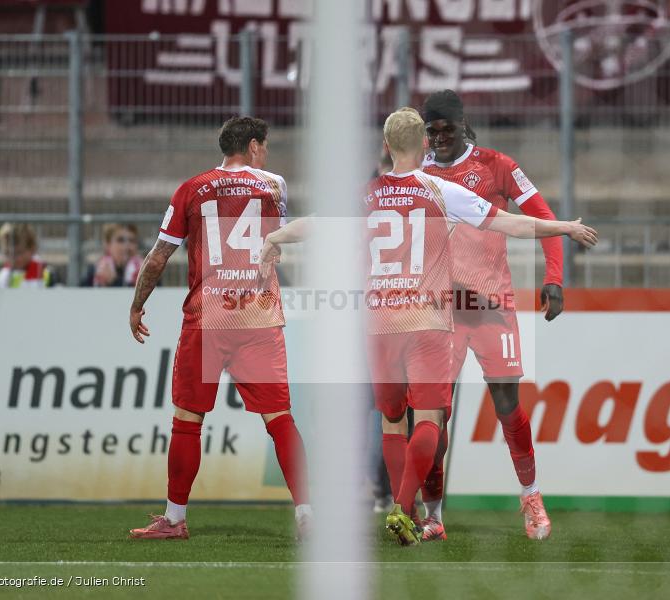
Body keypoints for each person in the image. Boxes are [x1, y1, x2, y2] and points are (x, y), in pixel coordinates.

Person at [260, 107, 595, 545]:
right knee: (432, 418)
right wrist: (566, 227)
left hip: (380, 323)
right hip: (429, 317)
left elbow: (319, 225)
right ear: (422, 146)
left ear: (384, 146)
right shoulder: (437, 189)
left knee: (393, 422)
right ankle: (404, 509)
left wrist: (274, 237)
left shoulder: (367, 194)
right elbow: (509, 223)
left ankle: (417, 514)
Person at [128, 116, 312, 541]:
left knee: (188, 419)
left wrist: (138, 304)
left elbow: (158, 257)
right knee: (280, 418)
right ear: (252, 146)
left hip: (208, 318)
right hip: (259, 315)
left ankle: (174, 518)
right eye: (263, 146)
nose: (265, 154)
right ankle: (308, 515)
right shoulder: (274, 185)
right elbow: (274, 239)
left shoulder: (191, 189)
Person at [418, 89, 567, 541]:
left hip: (492, 307)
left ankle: (532, 497)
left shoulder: (497, 165)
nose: (440, 138)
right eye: (433, 131)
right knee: (432, 413)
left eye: (447, 129)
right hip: (440, 309)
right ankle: (433, 514)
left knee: (507, 404)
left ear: (463, 124)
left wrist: (554, 277)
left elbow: (542, 217)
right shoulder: (416, 173)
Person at [0, 223, 55, 288]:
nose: (13, 258)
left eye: (18, 253)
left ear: (32, 249)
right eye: (7, 253)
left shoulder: (47, 274)